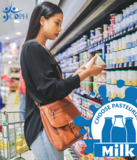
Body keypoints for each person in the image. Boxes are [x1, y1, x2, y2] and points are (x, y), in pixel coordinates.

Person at [20, 2, 106, 160]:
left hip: (48, 127)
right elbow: (51, 90)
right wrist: (84, 75)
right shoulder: (33, 47)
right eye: (57, 23)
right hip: (44, 127)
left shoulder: (40, 48)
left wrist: (78, 73)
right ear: (42, 20)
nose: (59, 29)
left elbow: (49, 85)